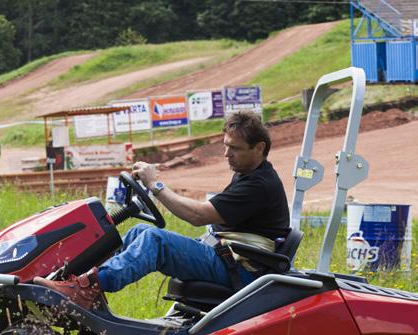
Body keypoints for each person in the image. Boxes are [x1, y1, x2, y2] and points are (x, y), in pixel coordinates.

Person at [34, 111, 290, 310]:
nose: (226, 153)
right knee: (139, 231)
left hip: (241, 270)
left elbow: (199, 216)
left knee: (154, 241)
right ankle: (82, 283)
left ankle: (84, 290)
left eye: (234, 148)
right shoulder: (249, 175)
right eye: (226, 145)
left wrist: (156, 186)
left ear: (259, 148)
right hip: (228, 256)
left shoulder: (259, 185)